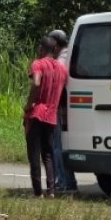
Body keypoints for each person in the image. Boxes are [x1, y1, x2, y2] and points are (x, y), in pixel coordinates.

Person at [23, 36, 68, 197]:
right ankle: (51, 190)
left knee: (34, 153)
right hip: (52, 116)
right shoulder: (62, 69)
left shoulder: (38, 63)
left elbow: (36, 83)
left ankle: (37, 192)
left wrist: (29, 104)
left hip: (37, 114)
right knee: (48, 154)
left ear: (42, 48)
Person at [48, 29, 77, 193]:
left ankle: (65, 182)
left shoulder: (59, 62)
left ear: (55, 44)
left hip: (59, 108)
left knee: (57, 146)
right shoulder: (69, 55)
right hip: (68, 108)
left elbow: (56, 87)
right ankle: (68, 180)